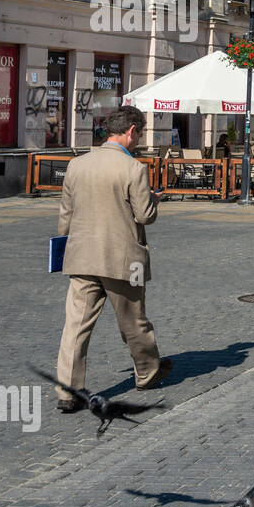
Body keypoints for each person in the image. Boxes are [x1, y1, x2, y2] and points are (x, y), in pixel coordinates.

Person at [54, 106, 172, 411]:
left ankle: (68, 392)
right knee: (134, 321)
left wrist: (66, 248)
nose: (140, 140)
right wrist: (154, 202)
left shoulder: (77, 165)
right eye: (141, 134)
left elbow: (65, 216)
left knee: (76, 327)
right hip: (123, 259)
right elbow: (144, 216)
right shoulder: (133, 169)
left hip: (81, 256)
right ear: (131, 130)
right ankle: (147, 371)